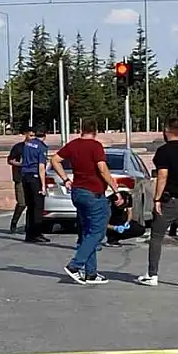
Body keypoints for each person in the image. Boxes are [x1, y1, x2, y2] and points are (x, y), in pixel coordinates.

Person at [49, 119, 120, 284]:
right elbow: (102, 169)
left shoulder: (73, 145)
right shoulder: (96, 147)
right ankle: (75, 265)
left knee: (88, 232)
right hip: (93, 193)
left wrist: (65, 179)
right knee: (98, 232)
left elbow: (54, 160)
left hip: (77, 192)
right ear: (96, 131)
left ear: (81, 129)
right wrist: (115, 188)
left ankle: (91, 273)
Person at [138, 117, 178, 288]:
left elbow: (162, 175)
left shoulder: (164, 152)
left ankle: (152, 274)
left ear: (166, 131)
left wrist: (157, 198)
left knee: (157, 237)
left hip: (170, 200)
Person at [19, 128, 49, 243]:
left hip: (25, 176)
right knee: (38, 207)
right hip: (35, 177)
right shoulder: (42, 147)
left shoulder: (27, 145)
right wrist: (43, 186)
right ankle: (37, 233)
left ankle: (29, 233)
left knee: (30, 206)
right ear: (44, 136)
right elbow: (41, 167)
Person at [6, 127, 34, 233]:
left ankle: (29, 225)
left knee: (32, 203)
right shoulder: (18, 147)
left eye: (34, 136)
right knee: (22, 203)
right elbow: (10, 160)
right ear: (26, 135)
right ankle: (14, 223)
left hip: (32, 178)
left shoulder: (36, 147)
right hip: (20, 178)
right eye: (30, 135)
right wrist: (21, 164)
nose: (32, 138)